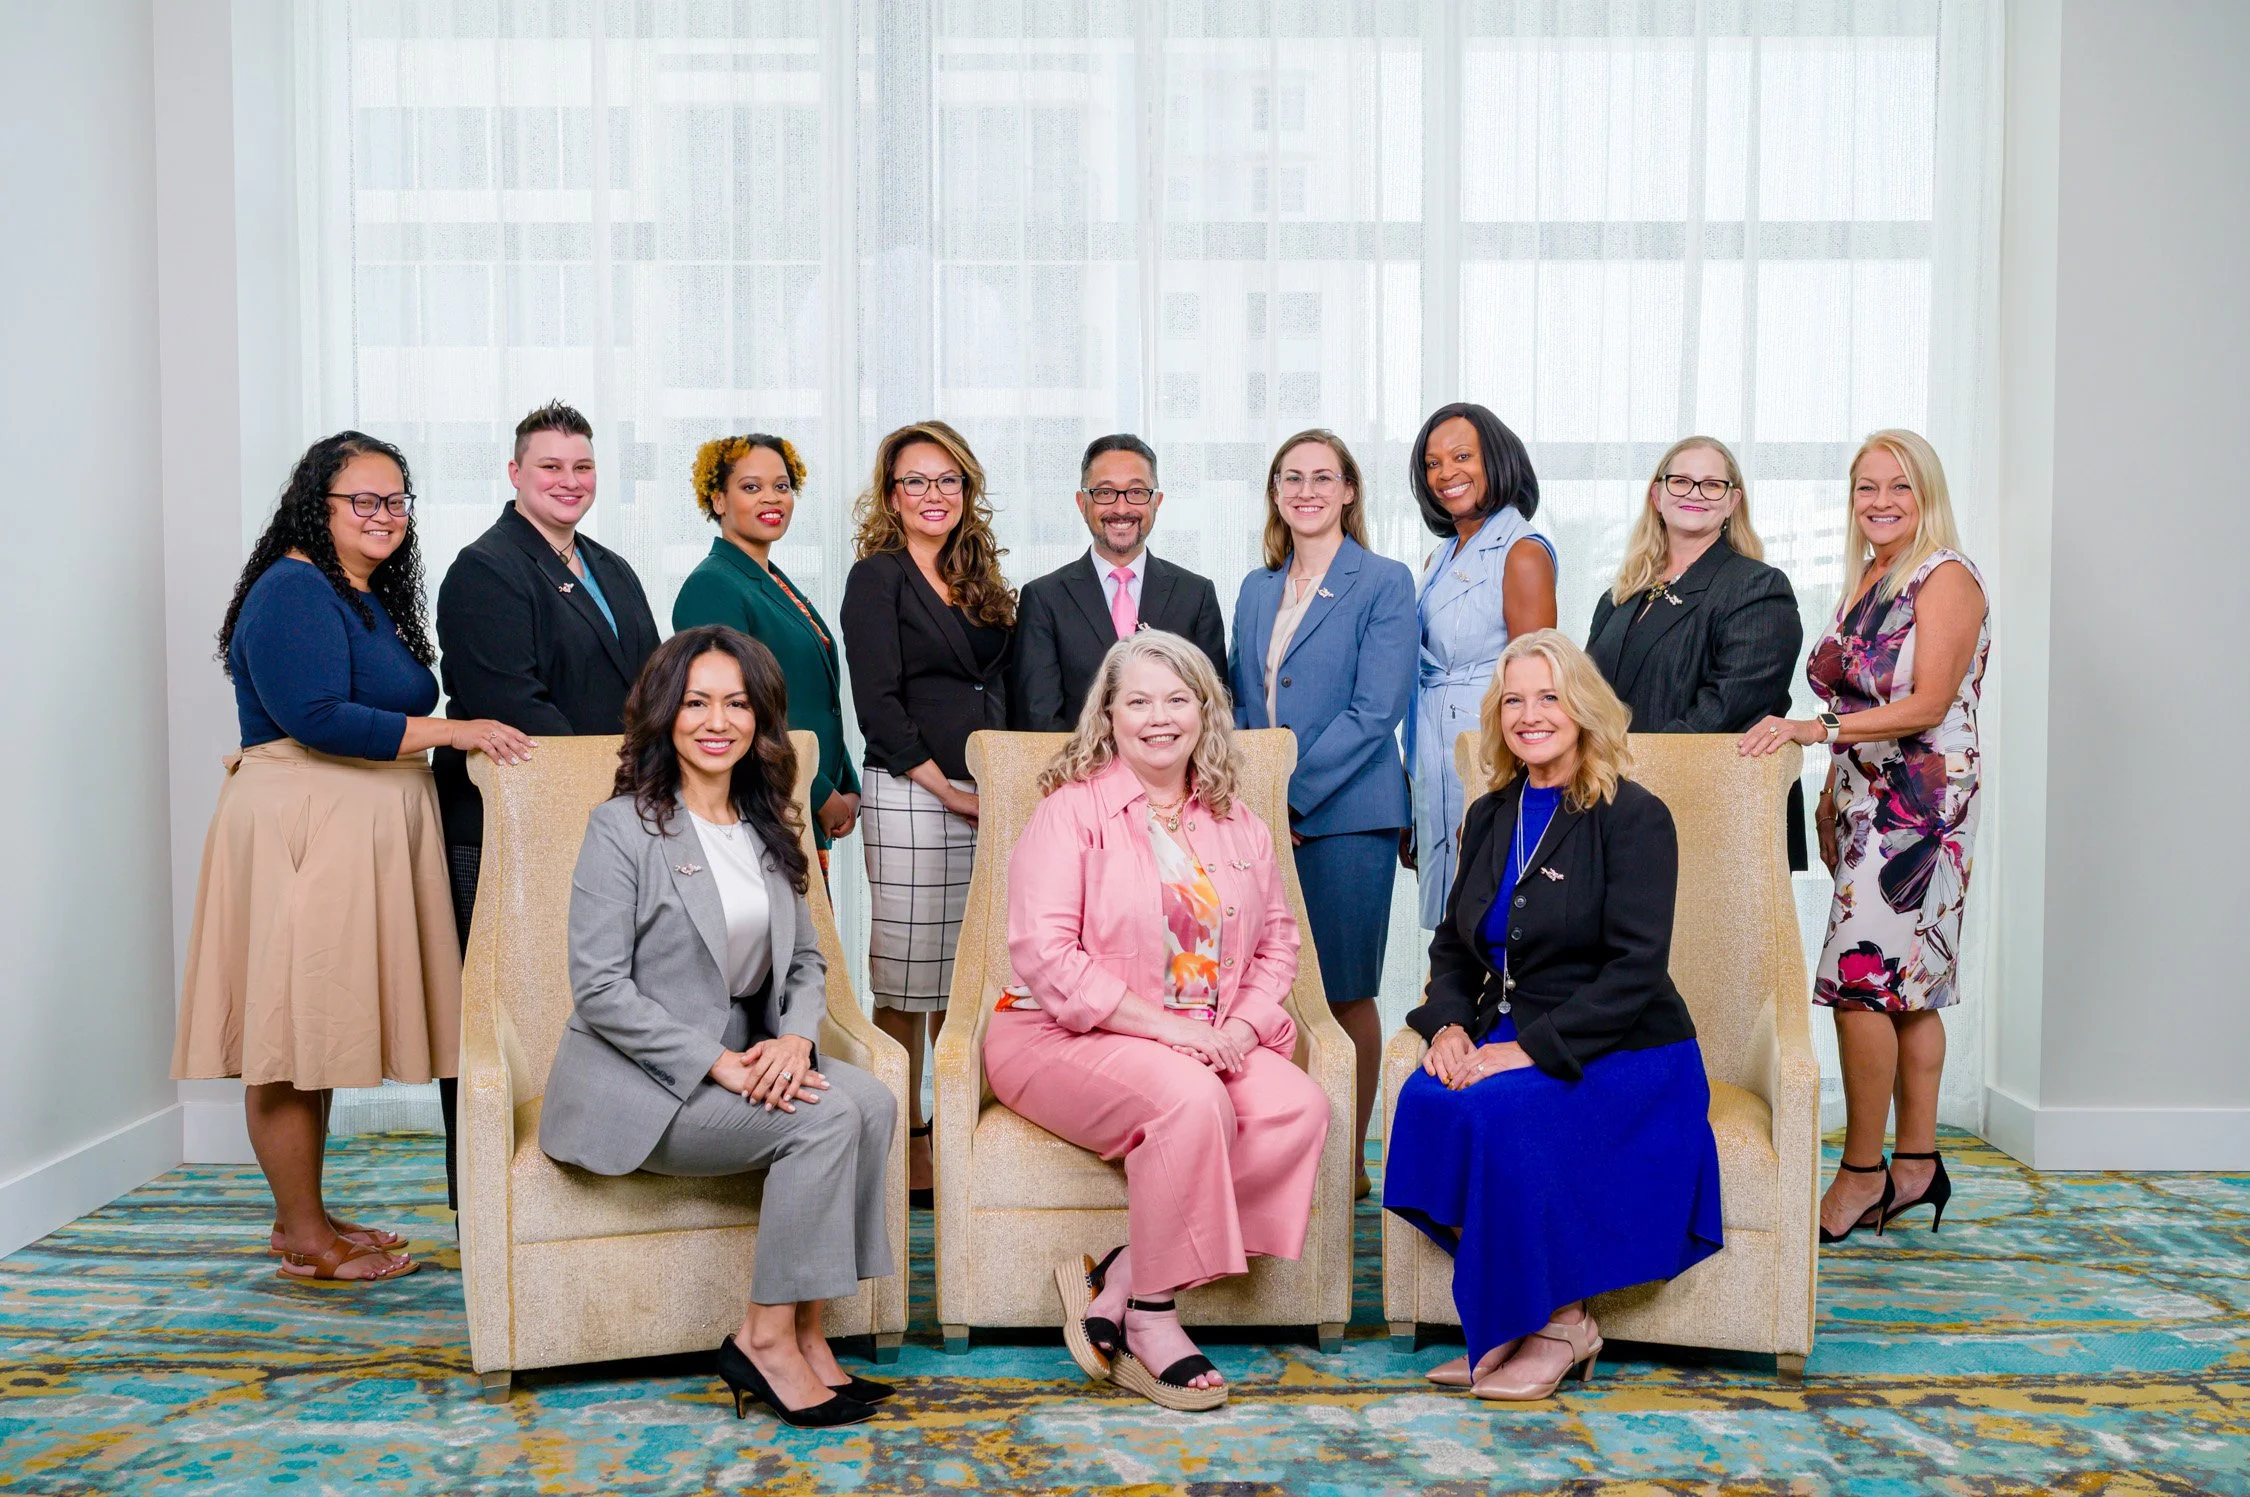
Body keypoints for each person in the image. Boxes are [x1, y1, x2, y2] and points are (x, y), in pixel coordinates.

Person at [174, 432, 535, 1283]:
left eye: (397, 500)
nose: (385, 516)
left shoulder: (357, 593)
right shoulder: (293, 589)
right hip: (306, 829)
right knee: (290, 1037)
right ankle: (303, 1233)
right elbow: (318, 716)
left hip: (350, 831)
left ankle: (307, 1214)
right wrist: (455, 728)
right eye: (363, 501)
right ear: (317, 505)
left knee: (319, 1031)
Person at [539, 626, 896, 1428]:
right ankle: (764, 1337)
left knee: (871, 1100)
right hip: (644, 1086)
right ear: (665, 712)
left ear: (760, 718)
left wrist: (796, 1040)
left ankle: (809, 1328)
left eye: (736, 702)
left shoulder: (766, 820)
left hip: (745, 1054)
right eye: (696, 701)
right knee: (825, 1116)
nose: (717, 720)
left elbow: (805, 962)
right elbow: (598, 988)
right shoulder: (623, 827)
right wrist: (719, 1064)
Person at [991, 631, 1330, 1412]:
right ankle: (1151, 1316)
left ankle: (1120, 1272)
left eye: (1178, 698)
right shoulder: (1071, 812)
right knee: (1191, 1098)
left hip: (1208, 1036)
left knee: (1298, 1105)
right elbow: (1046, 954)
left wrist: (1242, 1028)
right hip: (1060, 1034)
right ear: (1108, 715)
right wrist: (1173, 1033)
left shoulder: (1233, 818)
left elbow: (1280, 937)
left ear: (1205, 712)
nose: (1159, 717)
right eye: (1138, 700)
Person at [1386, 629, 1722, 1401]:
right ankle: (1515, 1311)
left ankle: (1564, 1323)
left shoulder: (1634, 816)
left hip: (1629, 1048)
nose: (1530, 714)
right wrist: (1447, 1026)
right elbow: (1452, 948)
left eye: (1548, 696)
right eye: (1514, 699)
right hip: (1514, 1029)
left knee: (1502, 1113)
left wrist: (1523, 1051)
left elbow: (1636, 970)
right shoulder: (1492, 812)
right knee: (1427, 1098)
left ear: (1583, 708)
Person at [1740, 429, 1987, 1245]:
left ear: (1929, 494)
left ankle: (1861, 1169)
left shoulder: (1944, 575)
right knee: (1909, 989)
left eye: (1900, 487)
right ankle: (1917, 1163)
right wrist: (1828, 786)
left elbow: (1927, 702)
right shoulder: (1872, 577)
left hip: (1919, 807)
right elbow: (1860, 703)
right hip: (1862, 794)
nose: (1881, 501)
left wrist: (1815, 731)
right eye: (1866, 488)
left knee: (1862, 984)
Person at [432, 401, 661, 1204]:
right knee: (504, 1018)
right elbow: (518, 712)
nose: (570, 481)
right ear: (515, 474)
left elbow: (652, 692)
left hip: (611, 823)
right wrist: (616, 801)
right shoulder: (485, 569)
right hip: (511, 831)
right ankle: (487, 1202)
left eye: (583, 466)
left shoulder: (611, 565)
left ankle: (590, 1175)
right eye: (552, 467)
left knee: (593, 1005)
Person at [1228, 428, 1415, 1196]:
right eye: (1291, 477)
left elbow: (1378, 710)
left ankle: (1347, 1161)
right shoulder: (1254, 588)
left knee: (1341, 989)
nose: (1306, 489)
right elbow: (1242, 703)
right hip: (1260, 816)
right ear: (1276, 493)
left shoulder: (1383, 581)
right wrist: (1253, 799)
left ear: (1348, 491)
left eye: (1322, 477)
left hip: (1347, 815)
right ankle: (1286, 1145)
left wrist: (1291, 794)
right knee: (1265, 986)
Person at [839, 420, 1014, 1208]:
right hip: (913, 791)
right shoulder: (877, 578)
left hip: (989, 792)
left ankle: (955, 1126)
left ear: (966, 490)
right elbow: (876, 703)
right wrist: (947, 788)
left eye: (947, 480)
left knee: (966, 967)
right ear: (891, 495)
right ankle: (905, 1132)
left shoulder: (981, 576)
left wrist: (1000, 786)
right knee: (906, 972)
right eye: (916, 481)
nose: (933, 495)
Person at [1586, 435, 1808, 867]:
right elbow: (1588, 699)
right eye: (1681, 481)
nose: (1694, 494)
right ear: (1657, 494)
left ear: (1732, 501)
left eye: (1712, 485)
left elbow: (1725, 709)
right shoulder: (1620, 595)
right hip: (1616, 807)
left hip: (1713, 818)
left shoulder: (1757, 587)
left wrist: (1629, 771)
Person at [672, 433, 859, 873]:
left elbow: (816, 696)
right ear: (717, 499)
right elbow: (733, 713)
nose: (770, 498)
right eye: (751, 487)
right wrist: (815, 791)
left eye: (782, 486)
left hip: (802, 801)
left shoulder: (770, 579)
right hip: (763, 804)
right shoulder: (713, 586)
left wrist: (845, 783)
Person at [1406, 402, 1557, 928]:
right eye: (1432, 463)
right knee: (1448, 926)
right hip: (1434, 753)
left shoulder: (1521, 551)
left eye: (1462, 456)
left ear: (1497, 459)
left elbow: (1538, 686)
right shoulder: (1440, 557)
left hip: (1492, 759)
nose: (1445, 473)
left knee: (1488, 917)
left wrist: (1512, 792)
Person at [1011, 433, 1228, 731]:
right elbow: (1039, 719)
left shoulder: (1195, 595)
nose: (1122, 508)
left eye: (1137, 492)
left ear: (1156, 502)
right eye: (1105, 492)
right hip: (1078, 774)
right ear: (1082, 502)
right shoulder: (1044, 598)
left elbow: (1213, 710)